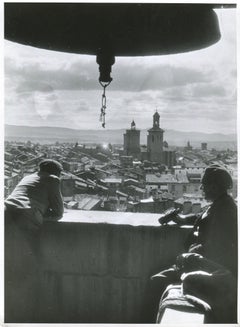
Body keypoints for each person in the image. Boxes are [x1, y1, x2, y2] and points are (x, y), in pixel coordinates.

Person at [152, 164, 237, 323]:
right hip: (199, 263)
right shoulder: (220, 204)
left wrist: (190, 257)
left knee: (157, 281)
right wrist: (181, 219)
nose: (202, 189)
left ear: (214, 187)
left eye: (205, 186)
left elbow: (219, 252)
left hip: (211, 270)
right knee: (158, 279)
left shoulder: (226, 212)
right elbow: (201, 217)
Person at [5, 159, 64, 322]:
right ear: (57, 172)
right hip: (26, 218)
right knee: (27, 267)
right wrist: (41, 211)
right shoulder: (53, 179)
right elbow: (59, 212)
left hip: (5, 214)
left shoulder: (27, 177)